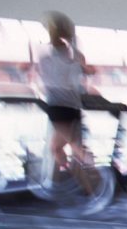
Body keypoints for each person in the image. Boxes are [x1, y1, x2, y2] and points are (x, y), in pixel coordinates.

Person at [36, 11, 95, 175]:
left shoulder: (46, 56)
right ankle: (69, 174)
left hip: (58, 106)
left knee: (75, 147)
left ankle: (100, 177)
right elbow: (90, 71)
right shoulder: (76, 55)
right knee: (55, 148)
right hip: (71, 106)